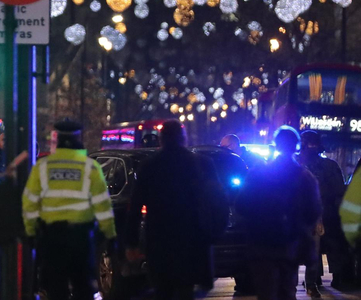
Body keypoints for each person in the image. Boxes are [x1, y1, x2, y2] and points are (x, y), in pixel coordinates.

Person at [126, 121, 228, 300]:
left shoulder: (149, 166)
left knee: (163, 290)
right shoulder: (202, 164)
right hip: (192, 240)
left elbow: (134, 206)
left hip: (159, 242)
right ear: (184, 138)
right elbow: (218, 201)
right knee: (186, 290)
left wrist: (131, 243)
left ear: (161, 140)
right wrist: (215, 233)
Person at [23, 119, 117, 300]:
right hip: (81, 239)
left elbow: (30, 204)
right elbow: (103, 206)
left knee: (56, 290)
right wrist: (110, 236)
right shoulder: (90, 167)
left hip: (52, 239)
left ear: (56, 140)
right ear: (78, 140)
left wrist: (31, 233)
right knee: (83, 289)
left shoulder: (43, 167)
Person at [236, 126, 322, 300]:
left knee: (266, 292)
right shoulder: (305, 177)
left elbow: (242, 205)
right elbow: (313, 211)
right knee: (287, 291)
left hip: (262, 244)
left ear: (276, 145)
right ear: (296, 147)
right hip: (289, 245)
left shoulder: (259, 174)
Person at [299, 131, 351, 293]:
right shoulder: (330, 165)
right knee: (332, 246)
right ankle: (336, 277)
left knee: (315, 247)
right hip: (329, 212)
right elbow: (339, 190)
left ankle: (315, 279)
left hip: (313, 213)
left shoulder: (300, 165)